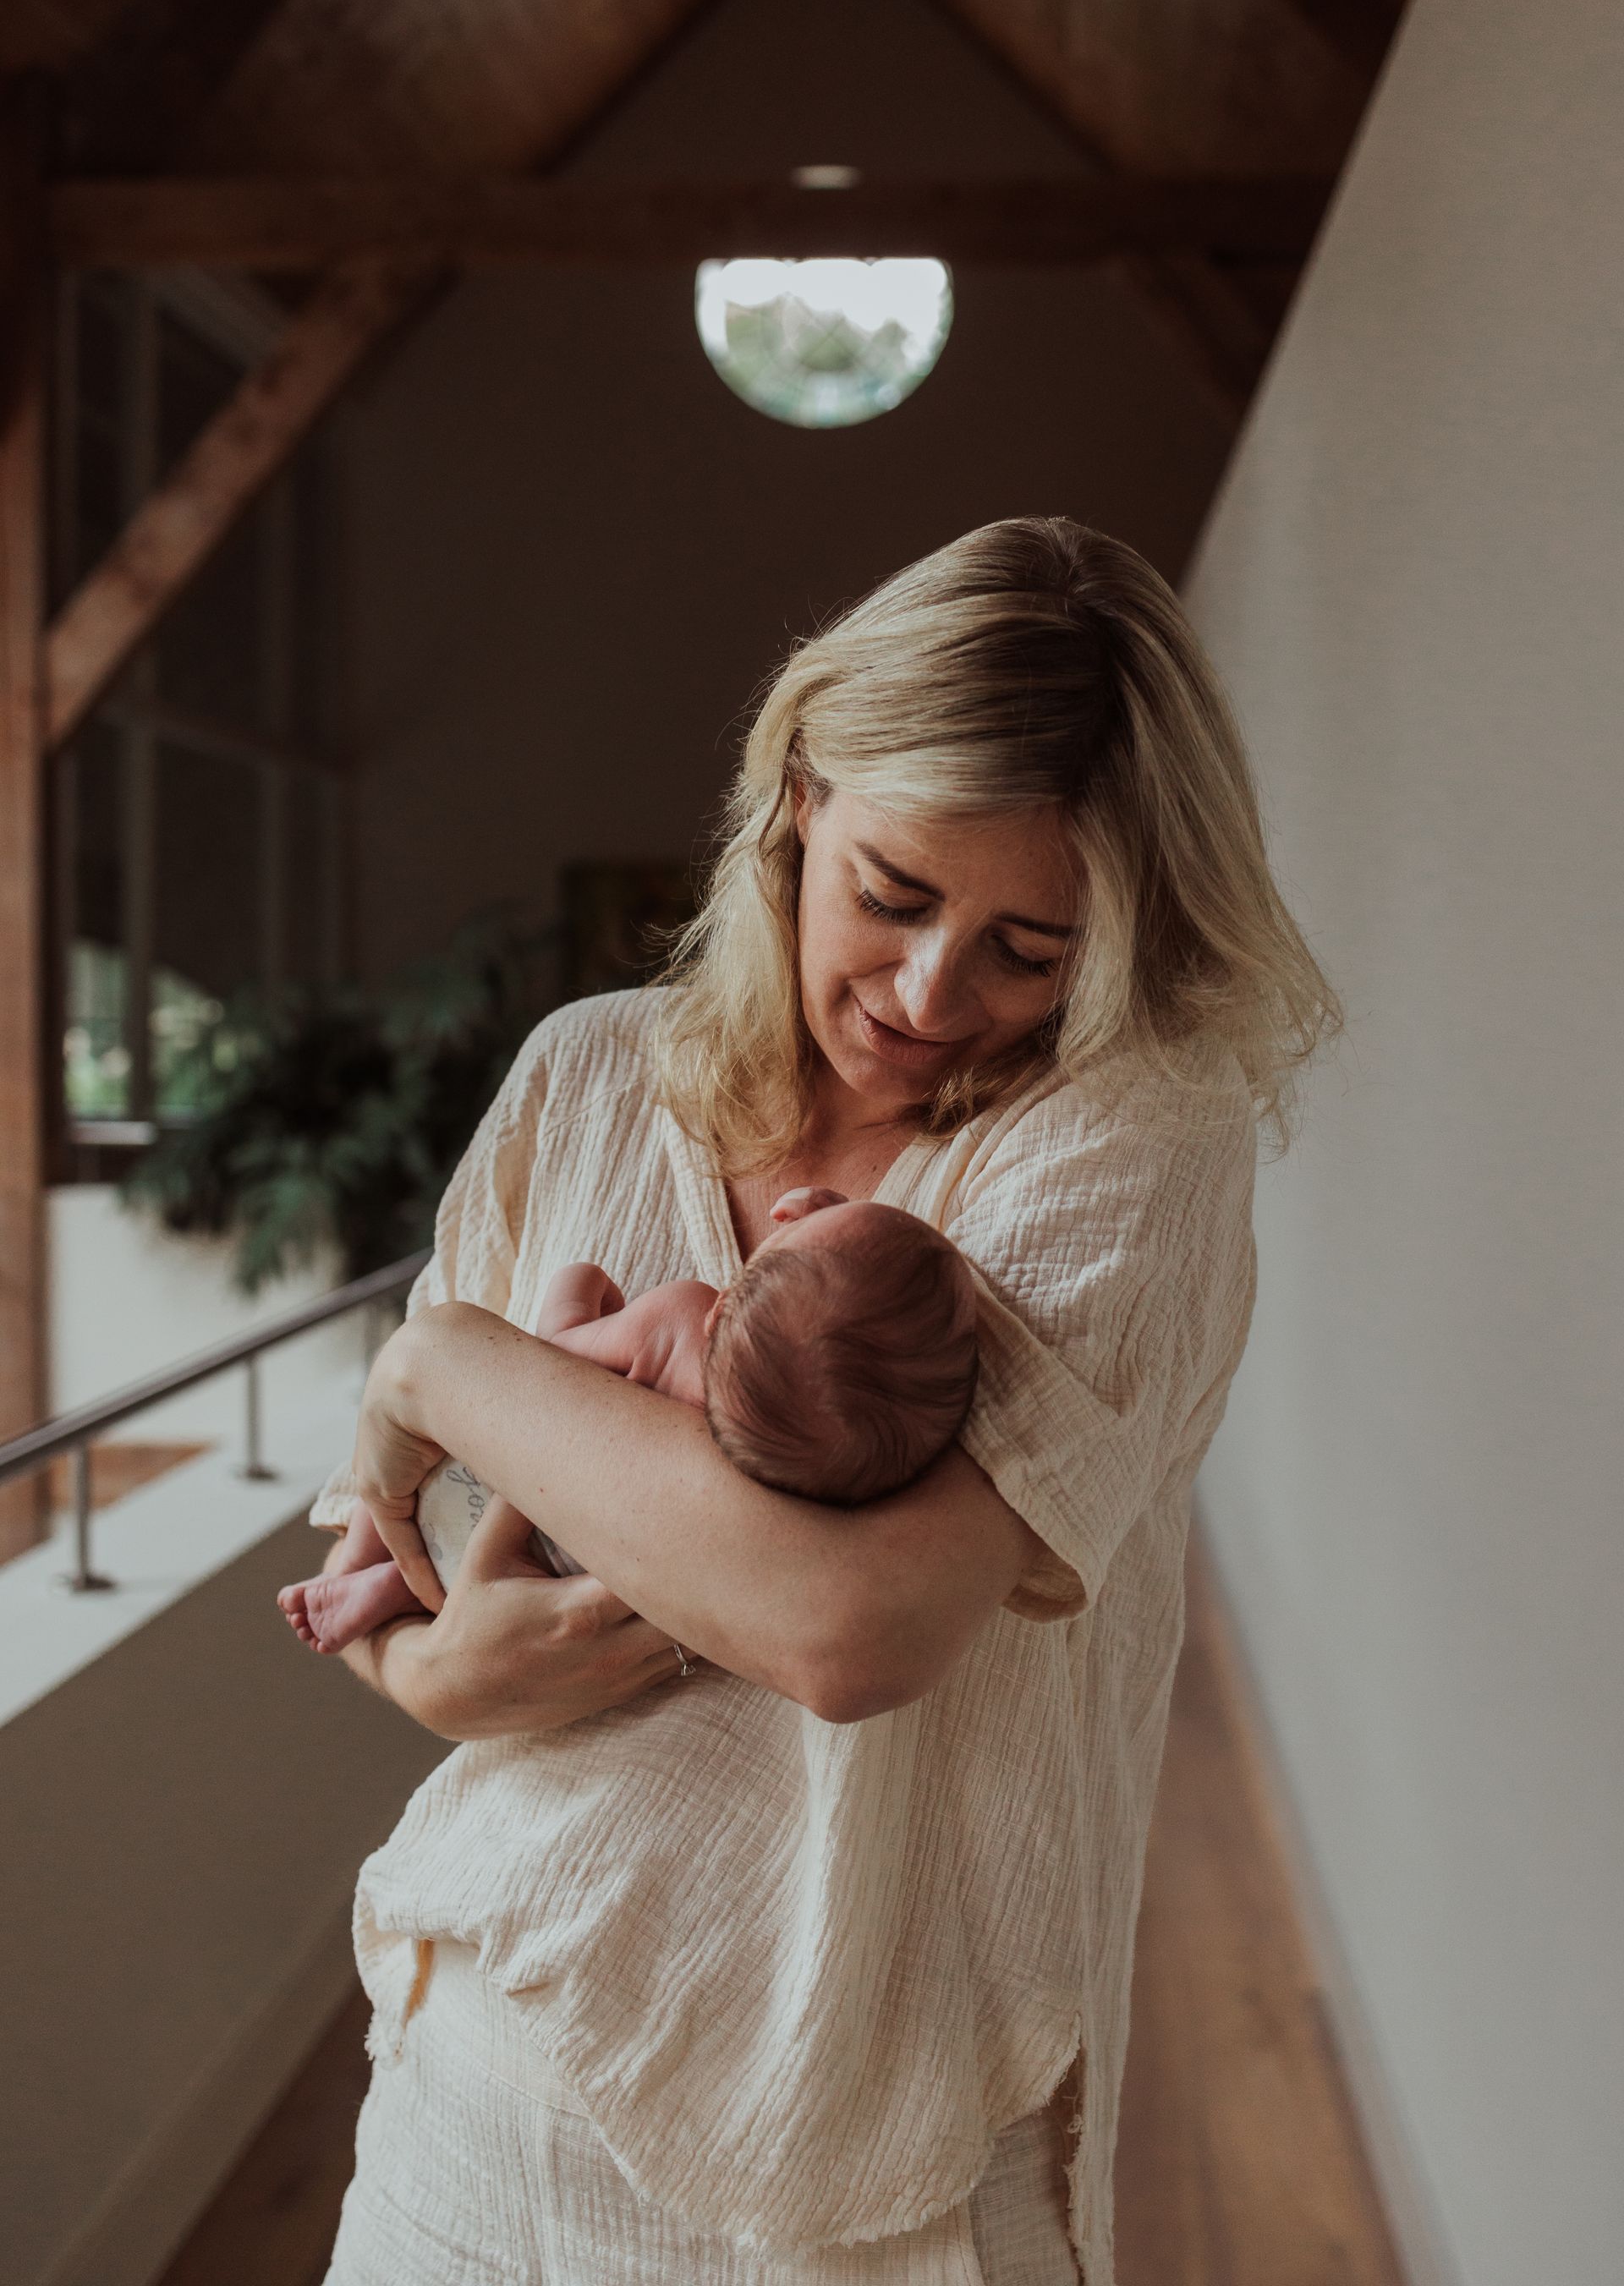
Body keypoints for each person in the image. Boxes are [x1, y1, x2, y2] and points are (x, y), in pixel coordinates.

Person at [308, 517, 1339, 2286]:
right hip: (471, 2062)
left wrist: (443, 1361)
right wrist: (436, 1677)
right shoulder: (583, 1079)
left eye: (1035, 946)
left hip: (872, 2165)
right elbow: (385, 1549)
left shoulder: (1121, 1141)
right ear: (799, 797)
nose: (937, 997)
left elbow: (847, 1624)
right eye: (897, 895)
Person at [278, 1188, 977, 1653]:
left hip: (483, 1480)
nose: (809, 1204)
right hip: (575, 1574)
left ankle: (367, 1561)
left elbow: (545, 1372)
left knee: (414, 1455)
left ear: (722, 1307)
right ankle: (389, 1589)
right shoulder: (801, 1481)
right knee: (475, 1551)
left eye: (826, 1216)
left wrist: (578, 1289)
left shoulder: (678, 1319)